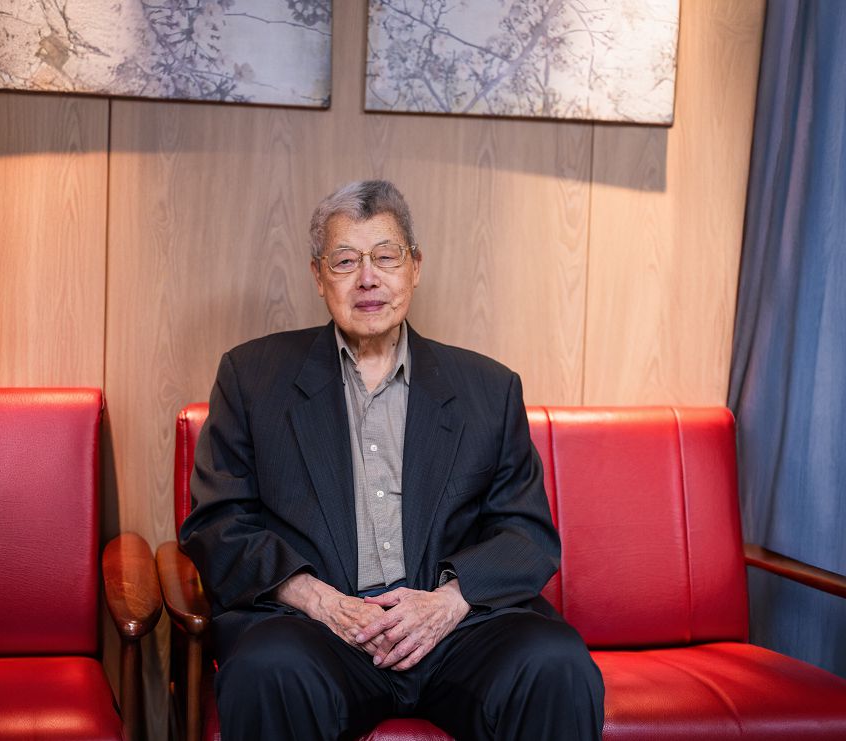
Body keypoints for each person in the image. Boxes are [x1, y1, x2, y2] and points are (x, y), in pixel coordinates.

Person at [180, 180, 604, 740]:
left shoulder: (488, 388)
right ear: (318, 276)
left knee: (554, 664)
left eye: (386, 257)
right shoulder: (252, 379)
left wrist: (448, 602)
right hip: (319, 631)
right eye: (345, 261)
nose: (368, 278)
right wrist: (321, 601)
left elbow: (526, 534)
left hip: (455, 630)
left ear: (414, 268)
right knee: (268, 669)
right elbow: (217, 525)